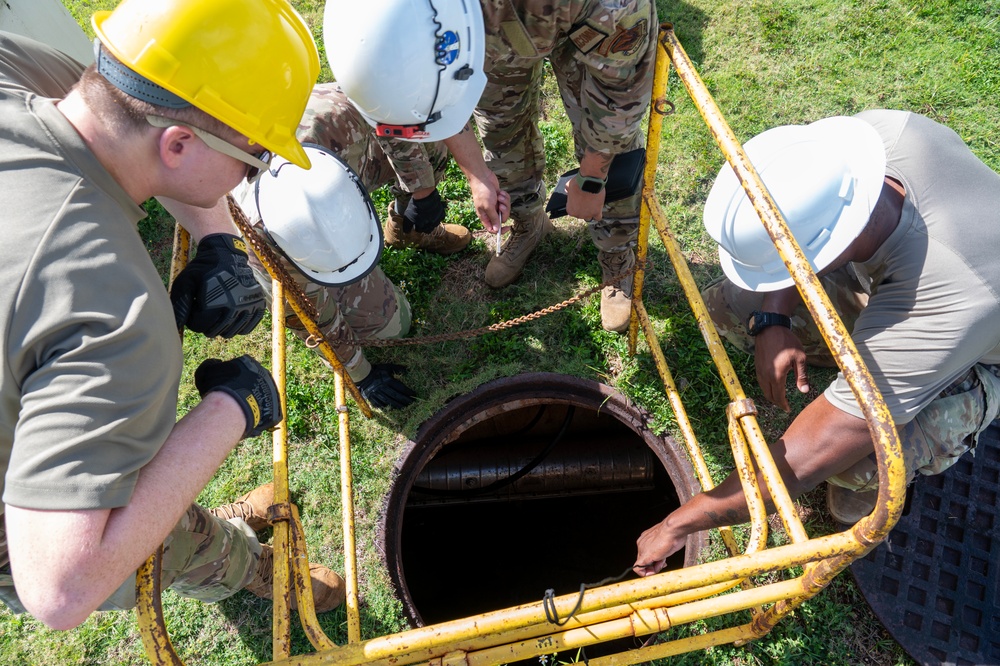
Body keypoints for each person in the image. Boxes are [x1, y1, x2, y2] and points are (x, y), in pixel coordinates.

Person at [0, 0, 346, 631]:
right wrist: (233, 408)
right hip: (20, 524)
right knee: (166, 541)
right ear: (180, 143)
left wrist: (220, 244)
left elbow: (133, 118)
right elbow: (58, 590)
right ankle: (259, 572)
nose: (249, 173)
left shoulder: (17, 68)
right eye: (253, 157)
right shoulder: (116, 318)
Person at [633, 111, 1000, 577]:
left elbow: (816, 449)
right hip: (899, 276)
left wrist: (680, 523)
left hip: (977, 349)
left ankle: (888, 477)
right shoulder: (868, 146)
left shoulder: (944, 302)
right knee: (734, 306)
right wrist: (773, 315)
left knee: (859, 461)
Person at [168, 82, 509, 409]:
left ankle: (407, 228)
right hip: (292, 231)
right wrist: (361, 374)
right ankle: (353, 268)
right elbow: (307, 314)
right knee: (393, 326)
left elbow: (392, 113)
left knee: (432, 144)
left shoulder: (337, 118)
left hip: (349, 144)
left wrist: (420, 189)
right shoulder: (265, 234)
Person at [325, 0, 658, 332]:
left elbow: (619, 100)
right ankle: (530, 224)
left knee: (613, 154)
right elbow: (442, 99)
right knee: (502, 130)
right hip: (485, 35)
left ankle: (617, 260)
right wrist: (479, 176)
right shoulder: (383, 20)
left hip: (583, 23)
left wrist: (591, 181)